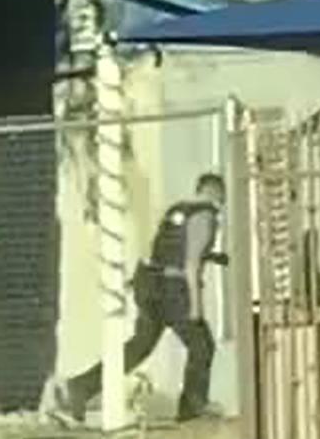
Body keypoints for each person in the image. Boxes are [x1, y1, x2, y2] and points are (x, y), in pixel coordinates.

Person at [45, 173, 228, 425]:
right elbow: (191, 262)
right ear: (217, 193)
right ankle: (193, 409)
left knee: (138, 347)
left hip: (149, 282)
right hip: (173, 288)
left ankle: (79, 388)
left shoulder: (176, 211)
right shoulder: (205, 215)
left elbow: (162, 248)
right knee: (202, 346)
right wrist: (196, 307)